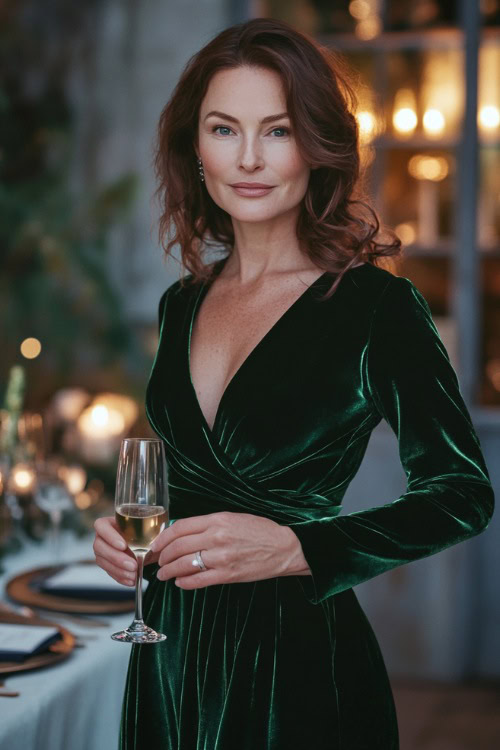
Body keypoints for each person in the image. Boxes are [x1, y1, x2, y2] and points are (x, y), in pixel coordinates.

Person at [93, 17, 495, 750]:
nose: (249, 158)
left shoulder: (376, 308)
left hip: (294, 664)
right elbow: (185, 477)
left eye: (276, 131)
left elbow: (462, 495)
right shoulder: (180, 303)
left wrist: (299, 548)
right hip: (170, 650)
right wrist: (126, 540)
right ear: (196, 146)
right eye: (224, 129)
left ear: (318, 146)